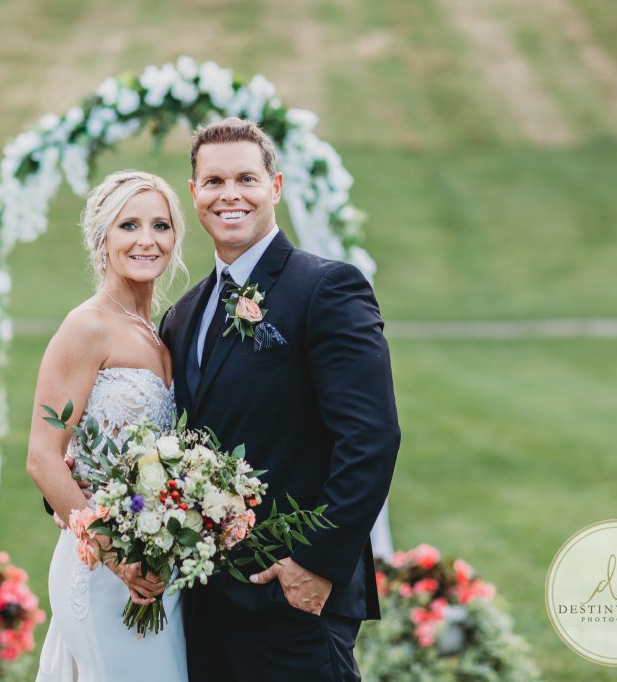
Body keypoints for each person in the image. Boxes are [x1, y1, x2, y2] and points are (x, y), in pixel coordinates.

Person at [159, 117, 401, 681]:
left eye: (246, 178)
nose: (230, 195)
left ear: (276, 187)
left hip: (293, 597)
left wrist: (316, 563)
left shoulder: (327, 288)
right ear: (195, 195)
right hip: (203, 605)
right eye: (214, 182)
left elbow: (370, 439)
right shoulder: (182, 314)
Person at [27, 170, 190, 682]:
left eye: (160, 225)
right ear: (102, 239)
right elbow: (43, 456)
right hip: (103, 569)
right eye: (129, 226)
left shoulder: (160, 333)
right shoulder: (87, 326)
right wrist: (116, 553)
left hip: (159, 565)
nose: (147, 239)